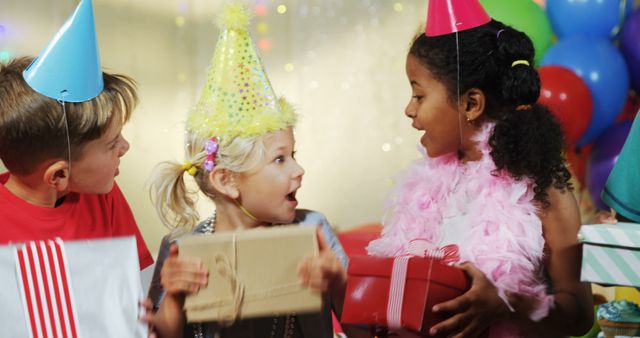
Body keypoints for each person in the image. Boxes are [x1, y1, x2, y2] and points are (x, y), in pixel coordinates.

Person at [362, 1, 593, 337]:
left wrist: (507, 303)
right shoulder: (424, 188)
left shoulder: (543, 188)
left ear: (471, 103)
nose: (408, 109)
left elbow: (580, 314)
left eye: (419, 94)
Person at [146, 3, 347, 338]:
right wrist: (174, 300)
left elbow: (359, 323)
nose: (299, 170)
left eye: (293, 154)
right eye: (280, 159)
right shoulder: (183, 245)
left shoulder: (313, 230)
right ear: (226, 179)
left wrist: (337, 282)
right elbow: (162, 334)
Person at [0, 7, 152, 271]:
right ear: (58, 175)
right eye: (112, 143)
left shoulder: (104, 196)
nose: (125, 147)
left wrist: (170, 295)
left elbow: (140, 294)